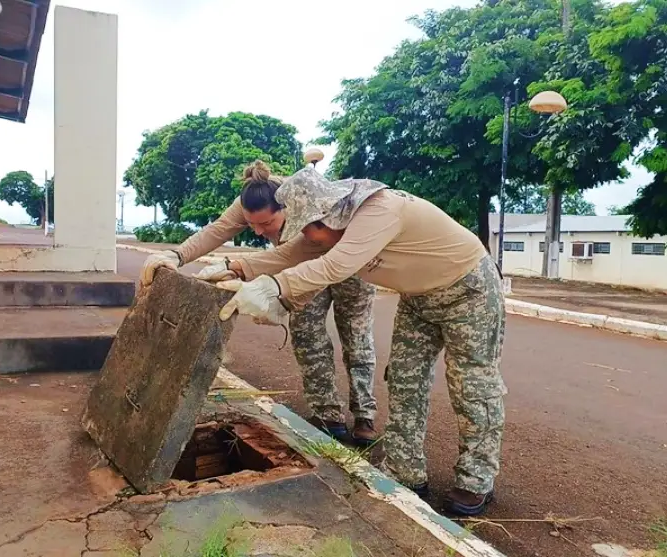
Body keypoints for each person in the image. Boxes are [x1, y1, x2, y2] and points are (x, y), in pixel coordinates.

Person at [211, 166, 507, 517]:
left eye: (308, 229)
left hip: (468, 290)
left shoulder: (378, 211)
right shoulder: (331, 223)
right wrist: (238, 269)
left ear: (326, 215)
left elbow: (335, 265)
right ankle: (405, 471)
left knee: (472, 384)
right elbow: (289, 255)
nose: (307, 236)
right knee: (403, 381)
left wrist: (273, 287)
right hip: (418, 297)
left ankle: (476, 479)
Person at [138, 160, 380, 447]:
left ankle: (364, 414)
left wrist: (251, 274)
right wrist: (176, 256)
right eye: (252, 224)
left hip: (348, 264)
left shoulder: (303, 198)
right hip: (299, 270)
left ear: (287, 209)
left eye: (266, 224)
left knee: (356, 335)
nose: (259, 232)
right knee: (306, 334)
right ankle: (327, 415)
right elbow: (216, 231)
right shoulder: (250, 201)